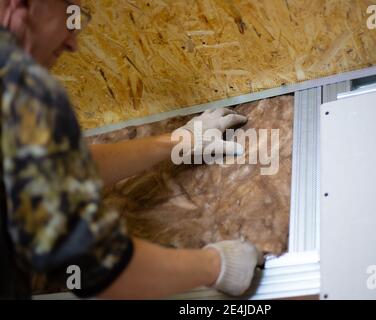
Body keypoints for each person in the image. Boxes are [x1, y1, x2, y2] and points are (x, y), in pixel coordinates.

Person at [0, 0, 262, 299]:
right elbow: (96, 264)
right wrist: (218, 266)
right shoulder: (20, 86)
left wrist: (180, 141)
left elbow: (55, 168)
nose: (73, 41)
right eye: (70, 7)